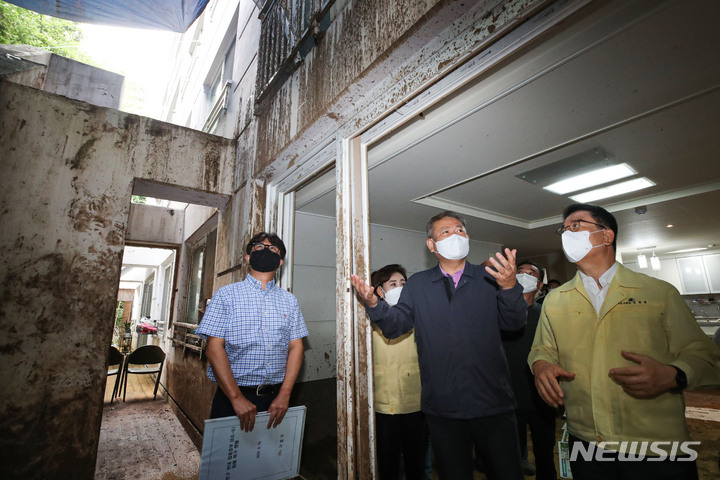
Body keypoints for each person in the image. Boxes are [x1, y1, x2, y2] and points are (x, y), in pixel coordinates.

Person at [529, 204, 720, 480]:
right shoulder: (555, 300)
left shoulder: (658, 292)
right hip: (586, 440)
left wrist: (674, 374)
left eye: (575, 225)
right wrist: (541, 365)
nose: (566, 233)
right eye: (563, 228)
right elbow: (542, 348)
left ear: (607, 236)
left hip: (654, 444)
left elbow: (706, 357)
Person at [351, 210, 526, 480]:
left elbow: (514, 324)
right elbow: (397, 325)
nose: (455, 235)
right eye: (446, 232)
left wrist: (509, 287)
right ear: (431, 245)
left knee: (505, 472)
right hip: (443, 407)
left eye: (460, 230)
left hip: (493, 403)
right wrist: (374, 305)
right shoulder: (419, 284)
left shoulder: (490, 277)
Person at [196, 232, 309, 432]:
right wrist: (236, 398)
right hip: (232, 399)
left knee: (271, 461)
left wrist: (285, 394)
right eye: (259, 247)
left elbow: (296, 347)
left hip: (277, 401)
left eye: (272, 248)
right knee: (228, 462)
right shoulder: (226, 295)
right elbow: (213, 349)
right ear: (248, 258)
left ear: (280, 261)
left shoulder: (289, 301)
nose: (266, 250)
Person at [502, 260, 557, 480]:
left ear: (540, 284)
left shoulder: (547, 315)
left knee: (544, 451)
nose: (525, 276)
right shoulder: (500, 313)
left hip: (540, 393)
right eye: (520, 272)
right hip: (508, 394)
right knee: (510, 453)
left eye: (531, 273)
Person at [370, 264, 426, 480]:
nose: (400, 287)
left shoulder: (418, 318)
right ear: (379, 291)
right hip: (383, 403)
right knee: (387, 463)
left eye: (403, 283)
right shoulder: (370, 321)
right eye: (393, 283)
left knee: (417, 463)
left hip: (416, 402)